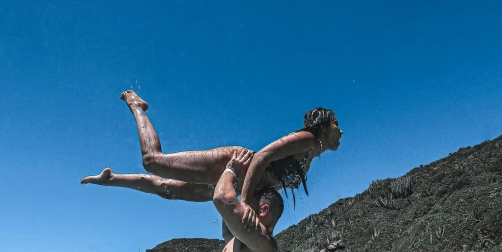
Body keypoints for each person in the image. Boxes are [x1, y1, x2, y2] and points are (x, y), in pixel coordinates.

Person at [81, 90, 342, 227]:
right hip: (234, 164)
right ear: (323, 125)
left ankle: (111, 179)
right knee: (152, 160)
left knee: (167, 190)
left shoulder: (311, 153)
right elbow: (262, 155)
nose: (340, 131)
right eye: (336, 124)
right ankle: (137, 106)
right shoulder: (307, 139)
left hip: (237, 181)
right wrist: (245, 202)